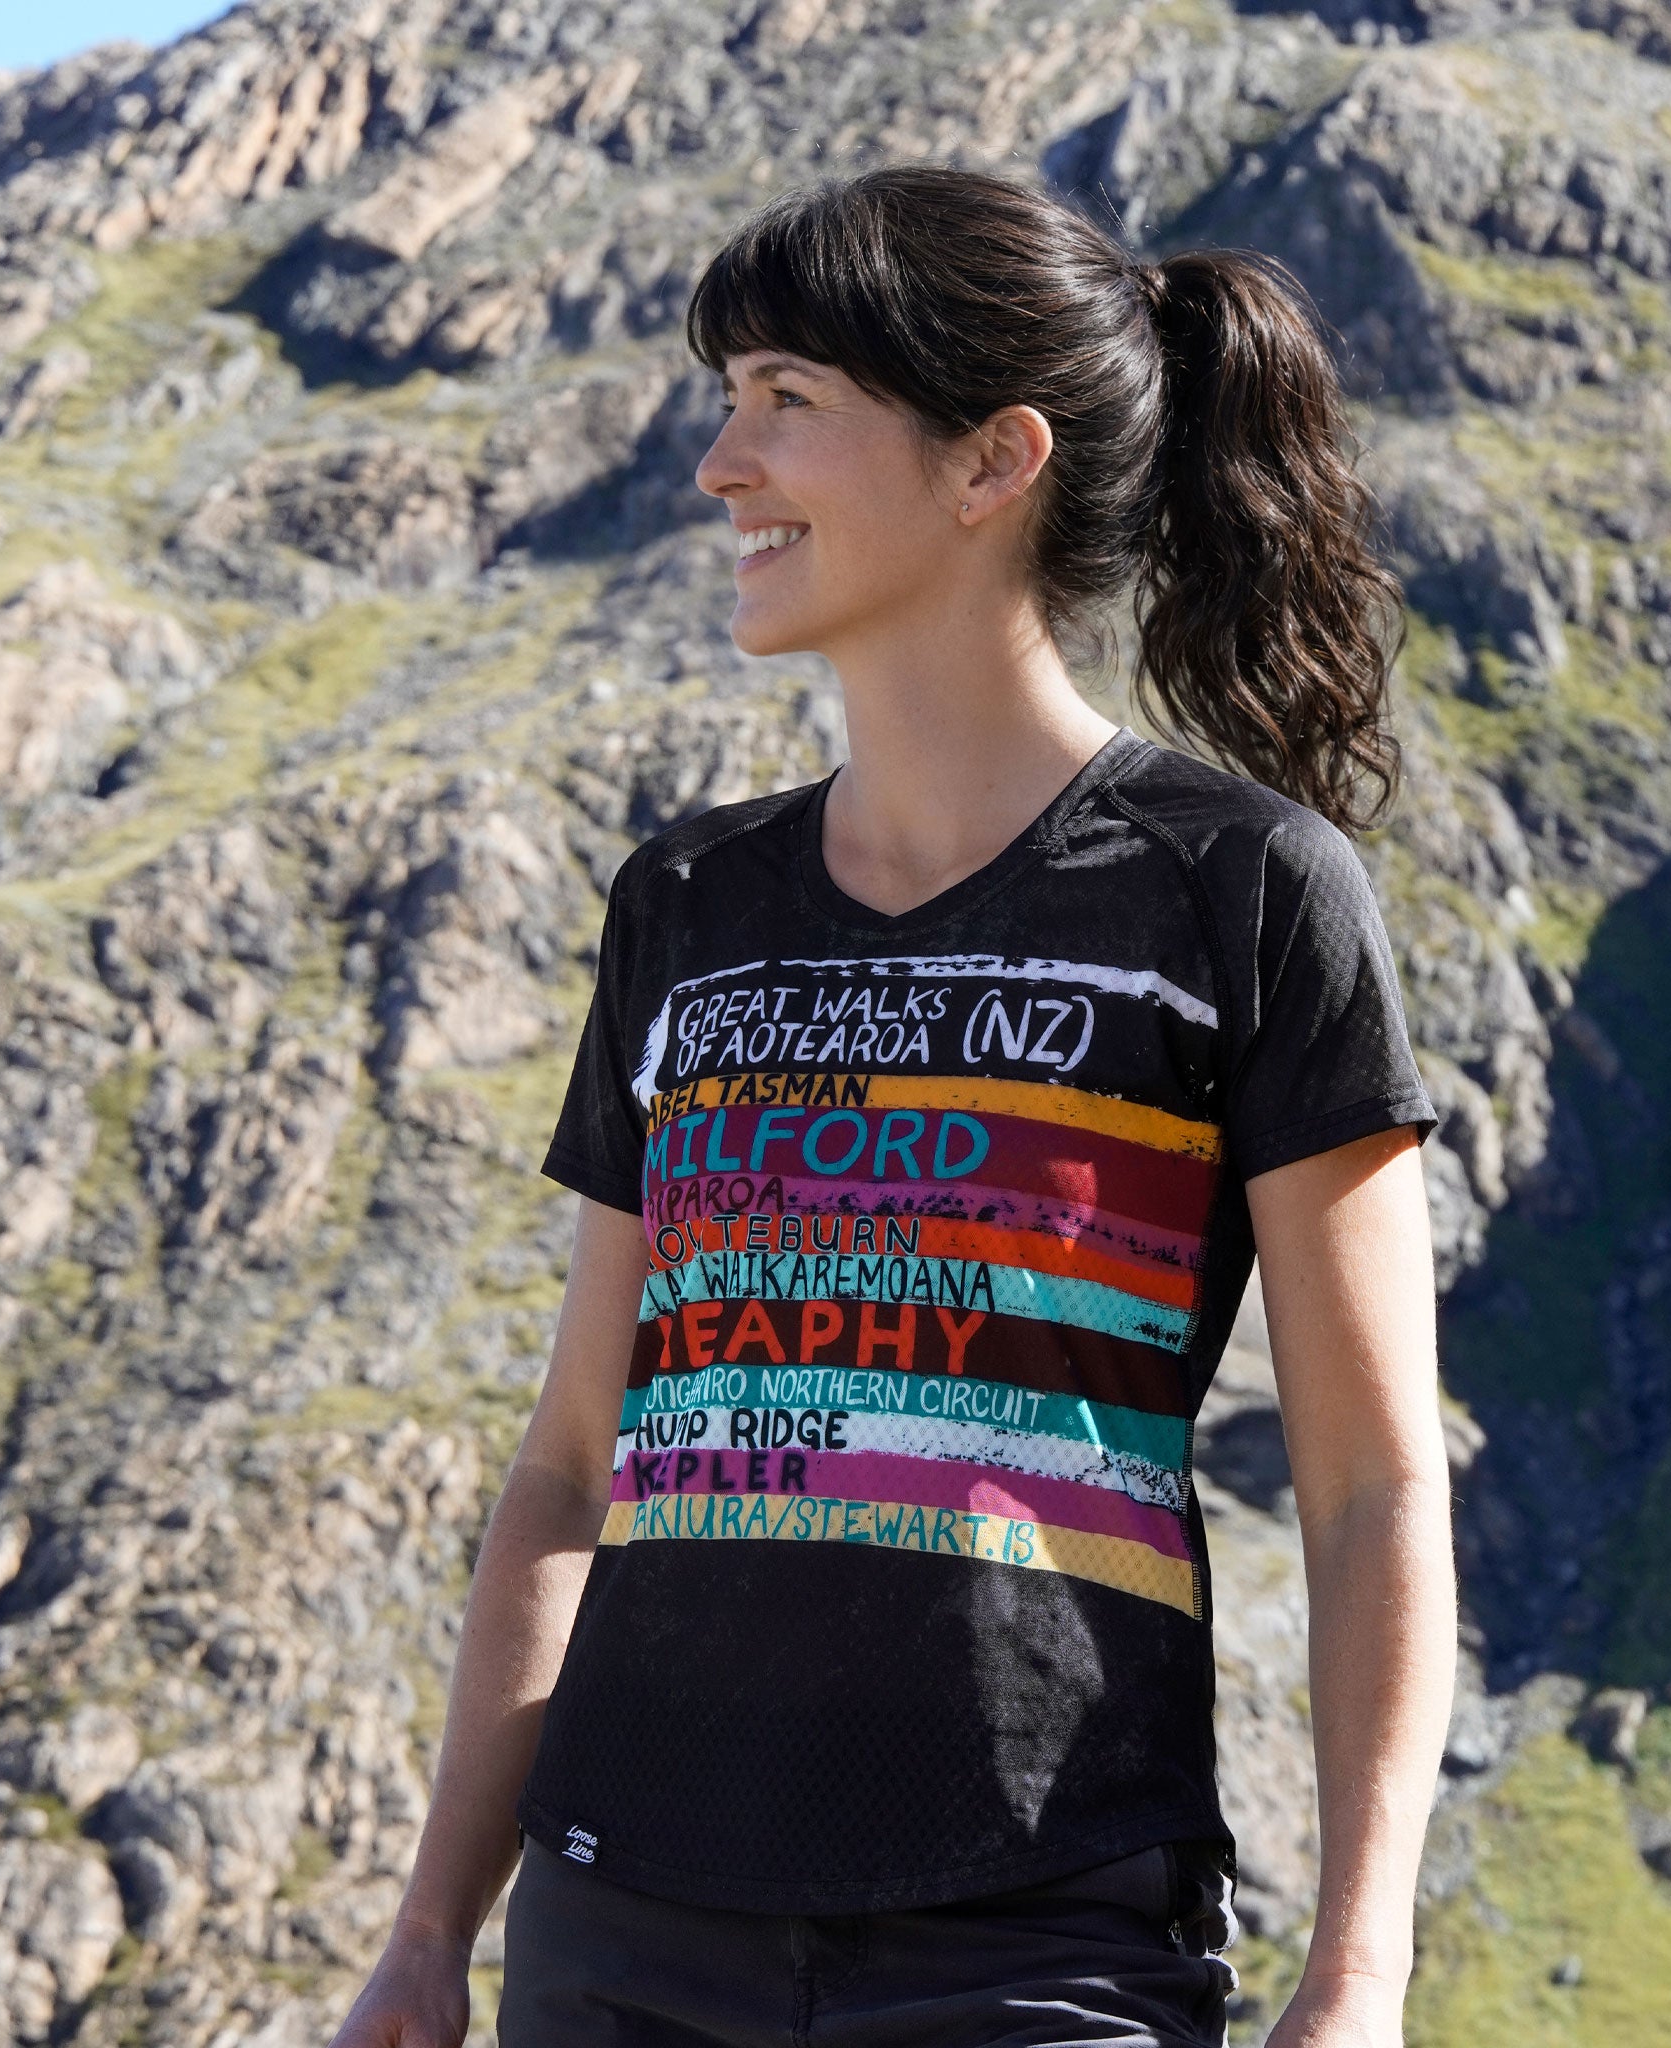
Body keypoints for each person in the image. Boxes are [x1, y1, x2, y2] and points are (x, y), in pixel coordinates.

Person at [330, 163, 1455, 2048]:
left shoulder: (1238, 892)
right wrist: (436, 1932)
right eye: (725, 400)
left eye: (786, 401)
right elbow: (570, 1460)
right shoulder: (686, 910)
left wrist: (1361, 1971)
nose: (721, 465)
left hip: (1037, 1941)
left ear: (991, 460)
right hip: (622, 1937)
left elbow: (1367, 1489)